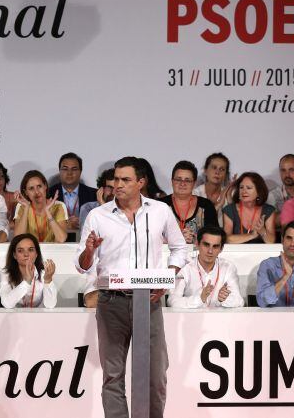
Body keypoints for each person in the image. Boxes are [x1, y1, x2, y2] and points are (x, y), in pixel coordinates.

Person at [76, 156, 189, 418]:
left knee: (156, 376)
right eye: (116, 179)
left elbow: (179, 248)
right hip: (111, 302)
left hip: (148, 302)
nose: (118, 184)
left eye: (125, 179)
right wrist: (90, 252)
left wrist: (167, 278)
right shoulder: (97, 216)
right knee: (113, 376)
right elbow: (82, 265)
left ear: (141, 182)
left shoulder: (159, 211)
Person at [169, 226, 243, 308]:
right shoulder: (184, 268)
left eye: (215, 246)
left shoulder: (228, 267)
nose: (210, 251)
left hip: (220, 320)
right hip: (192, 319)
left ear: (221, 249)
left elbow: (239, 301)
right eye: (206, 245)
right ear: (197, 244)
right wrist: (200, 299)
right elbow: (172, 301)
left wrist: (225, 299)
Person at [161, 161, 219, 244]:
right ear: (172, 181)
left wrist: (195, 240)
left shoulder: (206, 206)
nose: (182, 184)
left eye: (187, 180)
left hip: (197, 255)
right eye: (178, 179)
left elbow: (215, 236)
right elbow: (150, 236)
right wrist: (176, 239)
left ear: (194, 183)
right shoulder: (160, 205)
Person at [47, 152, 97, 242]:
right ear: (60, 171)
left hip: (85, 241)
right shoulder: (48, 194)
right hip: (56, 241)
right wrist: (64, 224)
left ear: (80, 171)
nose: (69, 173)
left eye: (74, 169)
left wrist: (83, 222)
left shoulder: (94, 194)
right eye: (65, 169)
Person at [0, 233, 57, 308]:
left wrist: (48, 281)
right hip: (15, 317)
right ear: (14, 255)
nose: (26, 254)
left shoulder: (44, 273)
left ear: (36, 254)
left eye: (31, 250)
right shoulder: (6, 274)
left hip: (38, 318)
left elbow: (50, 305)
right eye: (20, 251)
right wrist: (26, 282)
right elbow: (7, 304)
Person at [12, 170, 68, 242]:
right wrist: (26, 208)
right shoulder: (22, 206)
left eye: (39, 186)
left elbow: (61, 239)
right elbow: (18, 239)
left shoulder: (58, 206)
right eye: (31, 188)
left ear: (45, 186)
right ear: (26, 192)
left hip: (52, 251)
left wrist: (47, 211)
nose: (37, 192)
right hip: (30, 251)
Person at [222, 172, 276, 244]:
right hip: (236, 254)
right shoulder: (229, 210)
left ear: (259, 192)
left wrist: (263, 231)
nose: (244, 191)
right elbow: (227, 239)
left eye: (249, 188)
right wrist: (252, 235)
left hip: (261, 253)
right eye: (241, 187)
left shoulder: (268, 210)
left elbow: (271, 241)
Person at [193, 153, 236, 225]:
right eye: (214, 167)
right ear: (205, 171)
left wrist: (230, 201)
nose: (217, 172)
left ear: (226, 175)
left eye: (222, 169)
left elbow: (238, 225)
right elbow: (197, 224)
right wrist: (218, 205)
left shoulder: (231, 194)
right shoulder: (195, 194)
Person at [78, 168, 115, 233]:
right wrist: (103, 207)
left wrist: (104, 207)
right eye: (109, 187)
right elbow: (86, 234)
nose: (113, 192)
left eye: (116, 188)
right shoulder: (88, 207)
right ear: (101, 189)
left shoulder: (126, 209)